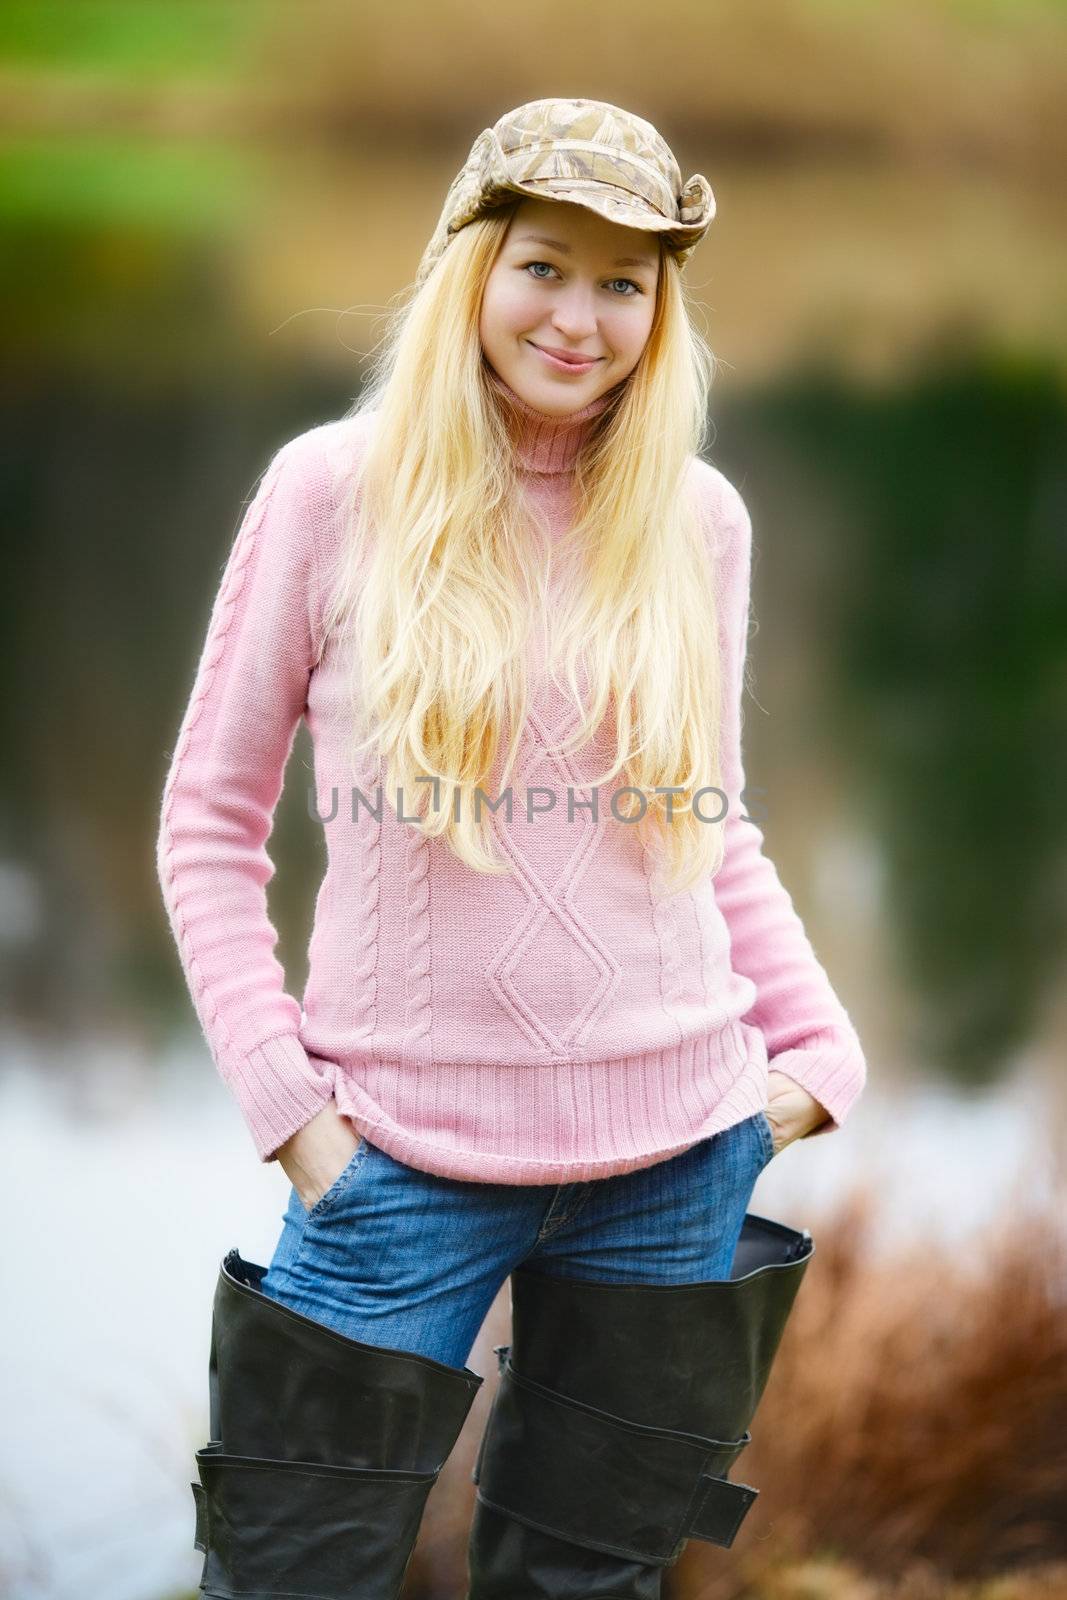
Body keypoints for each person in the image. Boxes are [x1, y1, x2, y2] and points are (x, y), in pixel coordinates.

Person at [157, 97, 867, 1600]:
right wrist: (290, 1113)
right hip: (392, 1162)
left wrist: (816, 1050)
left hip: (677, 1159)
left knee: (587, 1589)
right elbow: (209, 828)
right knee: (282, 1579)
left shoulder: (698, 519)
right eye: (549, 264)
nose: (583, 315)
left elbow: (705, 815)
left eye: (628, 282)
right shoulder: (329, 494)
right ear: (471, 262)